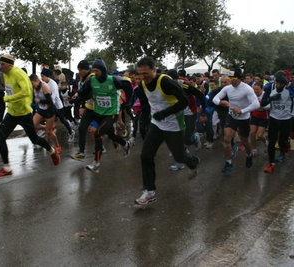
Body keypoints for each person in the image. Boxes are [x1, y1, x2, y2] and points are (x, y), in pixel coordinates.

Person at [134, 57, 200, 206]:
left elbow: (183, 101)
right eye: (140, 74)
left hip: (174, 125)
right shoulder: (143, 84)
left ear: (154, 69)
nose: (142, 77)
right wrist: (144, 119)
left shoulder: (165, 81)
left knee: (179, 156)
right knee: (146, 156)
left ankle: (193, 163)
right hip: (156, 124)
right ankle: (149, 192)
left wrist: (164, 113)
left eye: (145, 73)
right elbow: (148, 103)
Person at [0, 54, 59, 178]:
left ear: (10, 65)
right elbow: (10, 89)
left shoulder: (19, 74)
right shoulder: (5, 74)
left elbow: (26, 91)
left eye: (3, 64)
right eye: (0, 64)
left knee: (34, 139)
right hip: (12, 112)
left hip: (24, 113)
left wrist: (7, 98)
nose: (0, 66)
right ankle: (6, 167)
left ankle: (52, 151)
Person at [73, 58, 133, 173]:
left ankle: (96, 163)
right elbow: (85, 92)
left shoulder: (113, 80)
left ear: (103, 70)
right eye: (93, 71)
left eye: (97, 71)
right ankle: (126, 144)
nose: (95, 73)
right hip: (99, 113)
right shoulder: (92, 81)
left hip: (112, 114)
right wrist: (76, 98)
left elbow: (128, 85)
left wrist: (129, 102)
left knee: (98, 133)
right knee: (112, 135)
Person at [212, 67, 260, 174]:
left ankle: (249, 155)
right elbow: (215, 98)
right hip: (231, 116)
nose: (231, 81)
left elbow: (256, 104)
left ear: (239, 78)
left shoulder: (247, 88)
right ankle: (228, 163)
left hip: (243, 118)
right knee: (227, 139)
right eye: (230, 78)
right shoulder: (228, 88)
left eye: (233, 79)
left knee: (245, 141)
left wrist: (242, 111)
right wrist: (221, 103)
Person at [261, 73, 293, 172]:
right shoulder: (271, 87)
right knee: (271, 142)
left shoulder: (290, 88)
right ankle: (271, 163)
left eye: (281, 83)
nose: (278, 85)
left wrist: (288, 84)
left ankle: (286, 144)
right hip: (274, 118)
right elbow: (263, 103)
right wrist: (271, 99)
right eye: (277, 83)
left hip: (286, 118)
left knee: (282, 143)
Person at [41, 68, 75, 147]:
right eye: (41, 76)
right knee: (44, 118)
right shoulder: (43, 83)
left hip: (57, 106)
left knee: (63, 120)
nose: (41, 78)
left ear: (47, 76)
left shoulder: (53, 84)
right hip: (50, 105)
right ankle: (47, 130)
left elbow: (54, 97)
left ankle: (71, 132)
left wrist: (46, 102)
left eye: (43, 76)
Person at [70, 60, 96, 161]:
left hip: (98, 109)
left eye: (81, 69)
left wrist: (77, 100)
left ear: (87, 69)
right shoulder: (85, 79)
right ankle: (81, 153)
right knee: (82, 128)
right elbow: (83, 93)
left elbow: (88, 94)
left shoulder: (92, 78)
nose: (79, 71)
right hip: (90, 108)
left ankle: (121, 143)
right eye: (78, 69)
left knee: (99, 131)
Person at [31, 73, 61, 151]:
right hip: (41, 109)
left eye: (32, 83)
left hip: (49, 110)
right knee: (33, 125)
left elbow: (50, 101)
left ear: (37, 80)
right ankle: (48, 127)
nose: (32, 85)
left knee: (48, 132)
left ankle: (57, 146)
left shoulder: (44, 86)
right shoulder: (34, 88)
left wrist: (39, 100)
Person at [249, 82, 269, 156]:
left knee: (259, 135)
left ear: (262, 89)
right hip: (255, 116)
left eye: (257, 89)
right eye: (254, 89)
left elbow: (269, 106)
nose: (256, 91)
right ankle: (254, 150)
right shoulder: (252, 95)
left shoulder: (265, 95)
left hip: (264, 117)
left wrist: (260, 105)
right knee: (252, 133)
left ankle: (266, 142)